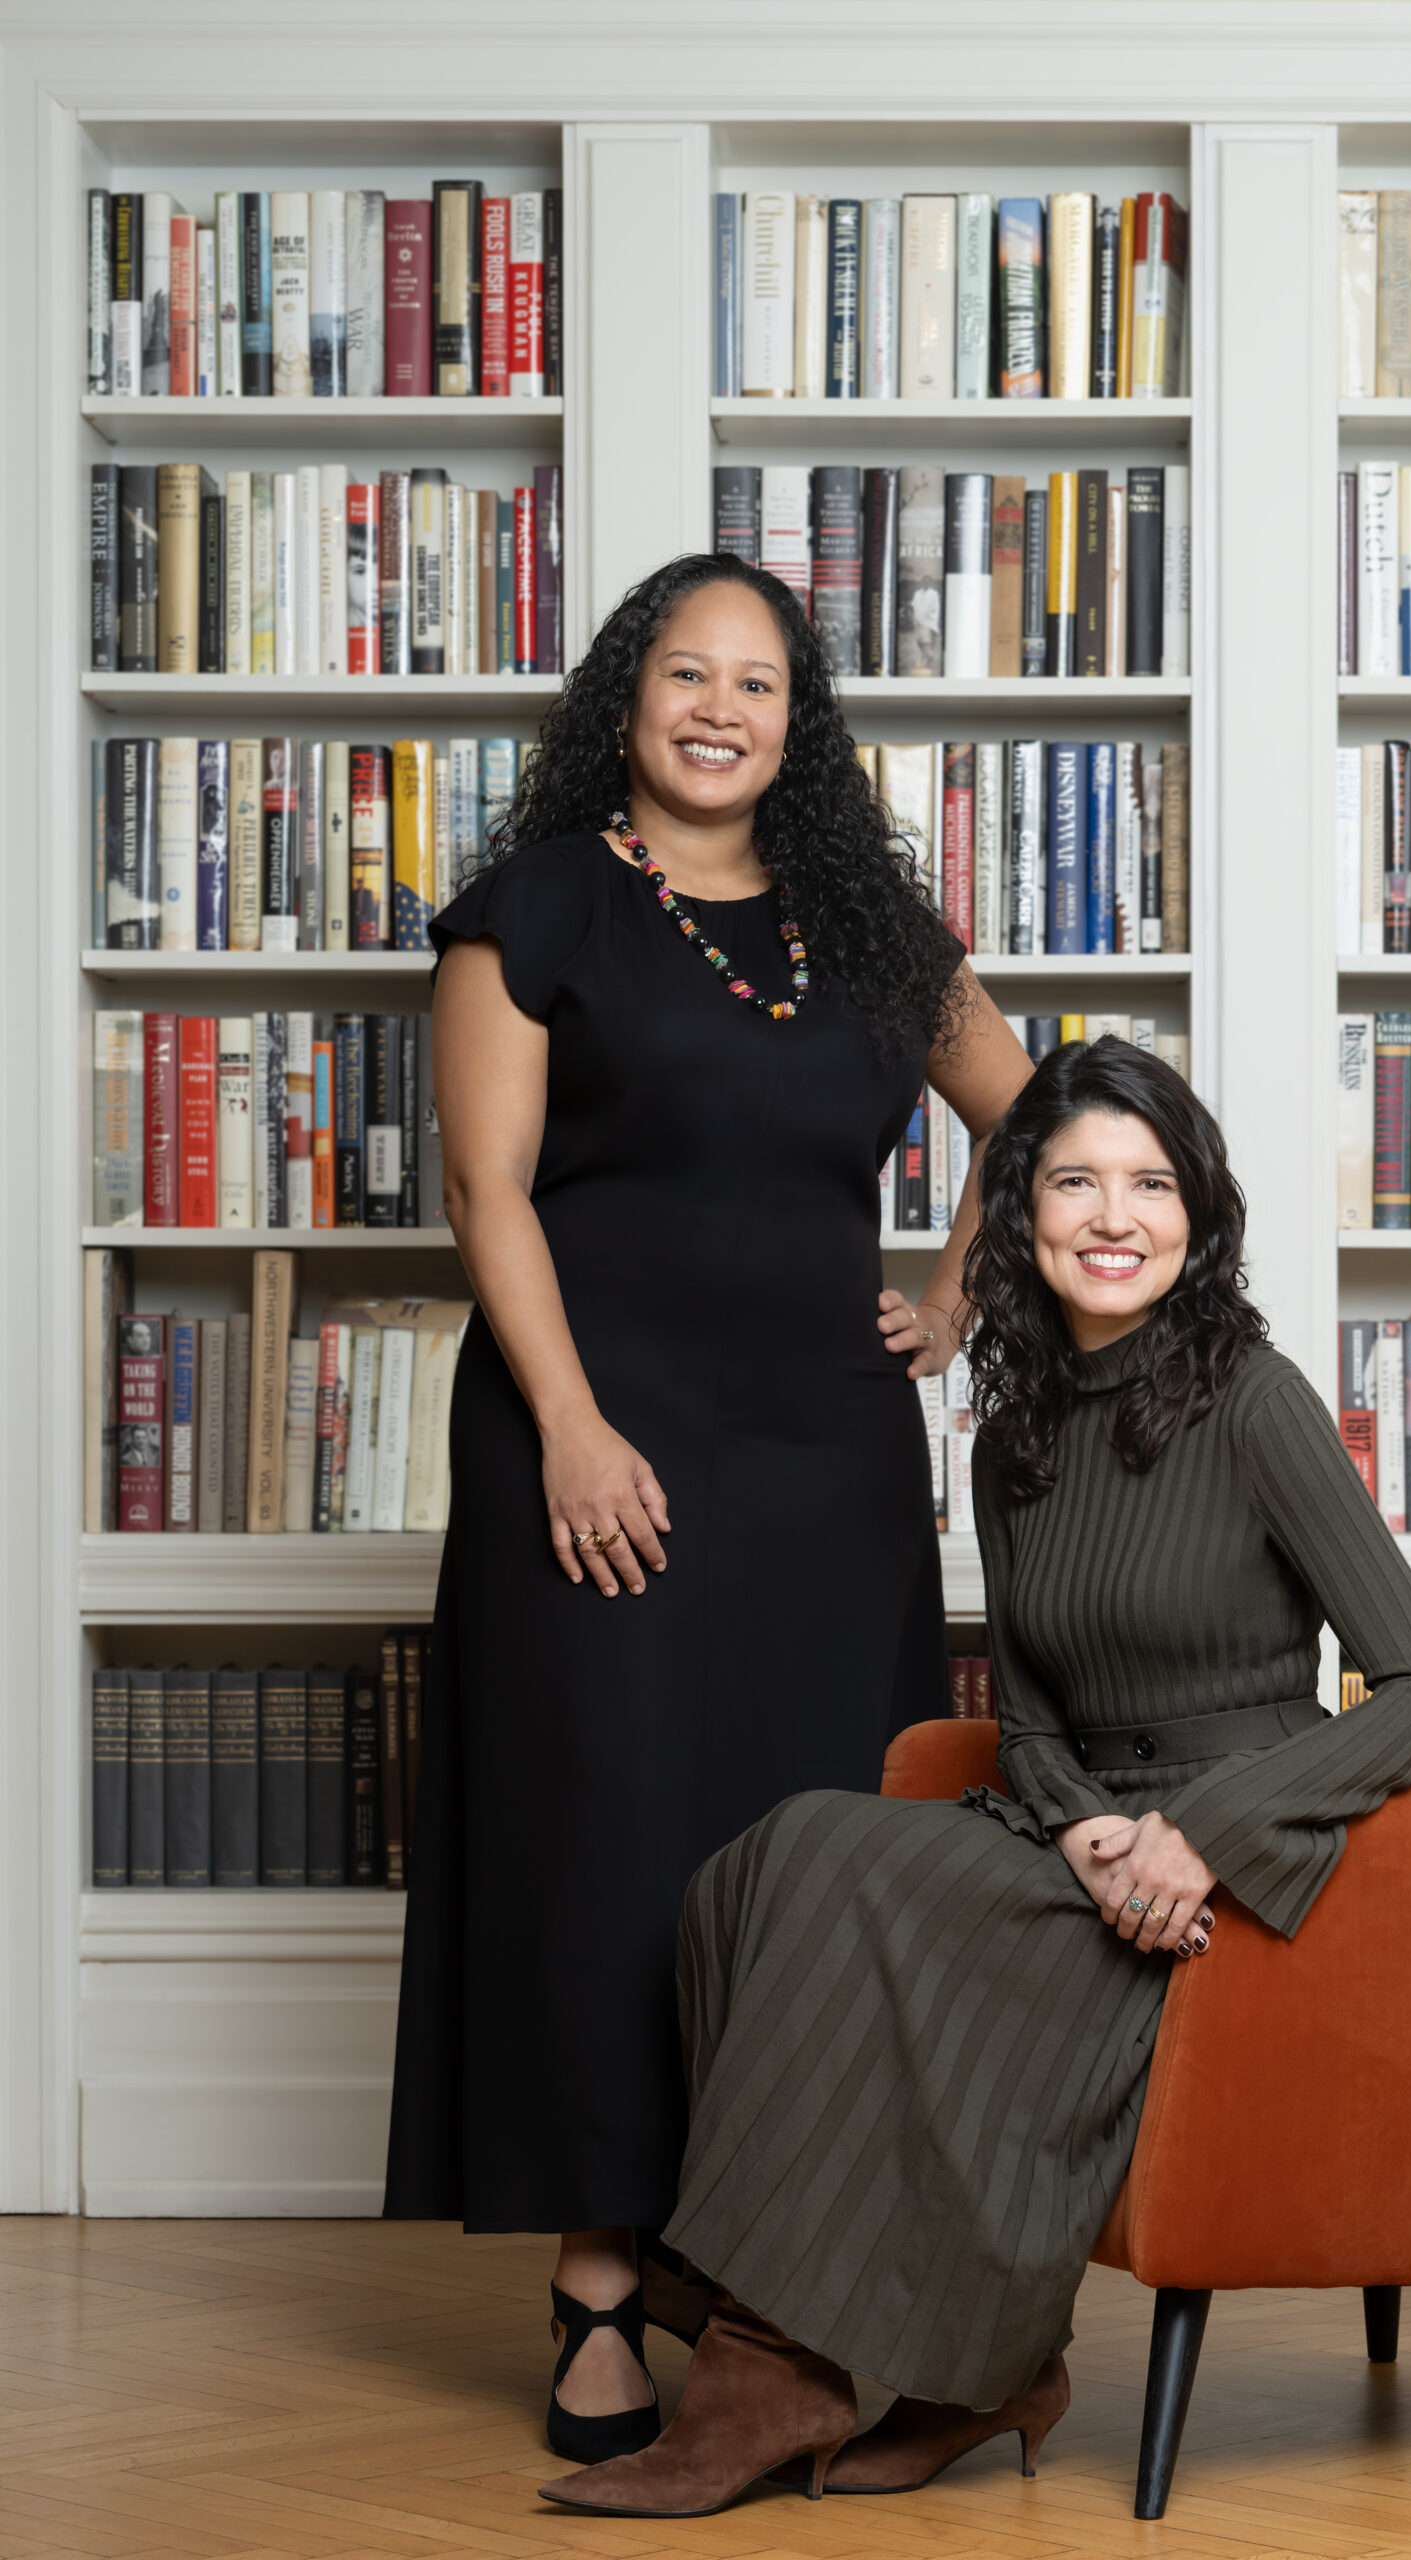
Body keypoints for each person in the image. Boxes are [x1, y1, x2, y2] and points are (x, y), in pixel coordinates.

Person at [539, 1035, 1411, 2520]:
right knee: (777, 1858)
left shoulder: (1255, 1396)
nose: (1116, 1217)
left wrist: (1199, 1838)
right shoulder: (1016, 1429)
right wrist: (1093, 1828)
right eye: (1077, 1181)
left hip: (1239, 1837)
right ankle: (903, 2348)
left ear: (1200, 1214)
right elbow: (1030, 1720)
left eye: (1153, 1183)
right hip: (1087, 1833)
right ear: (1021, 1214)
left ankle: (775, 2362)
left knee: (850, 1868)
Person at [382, 553, 1032, 2465]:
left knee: (813, 1868)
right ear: (630, 693)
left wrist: (958, 1289)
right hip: (597, 1453)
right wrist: (570, 1427)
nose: (721, 707)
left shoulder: (866, 924)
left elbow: (1054, 1109)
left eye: (760, 681)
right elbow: (488, 1194)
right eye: (688, 671)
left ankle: (781, 2289)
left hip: (823, 1472)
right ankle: (599, 2295)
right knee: (610, 1852)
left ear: (797, 723)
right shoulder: (540, 907)